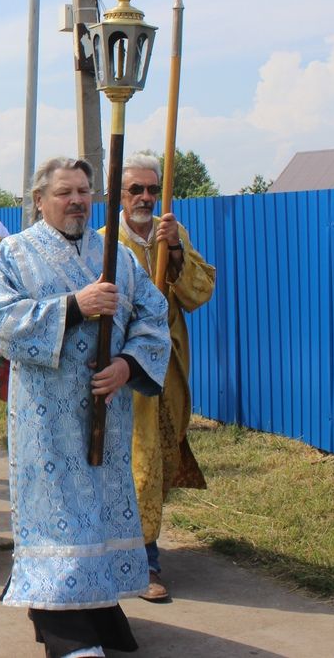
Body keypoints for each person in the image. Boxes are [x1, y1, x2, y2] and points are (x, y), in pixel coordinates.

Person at [0, 157, 169, 658]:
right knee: (58, 509)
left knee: (100, 506)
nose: (77, 201)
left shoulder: (119, 257)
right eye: (65, 192)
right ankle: (62, 618)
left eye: (85, 191)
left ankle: (99, 604)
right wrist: (73, 306)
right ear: (40, 200)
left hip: (107, 413)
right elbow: (1, 323)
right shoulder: (15, 253)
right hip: (47, 418)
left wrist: (129, 365)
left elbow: (154, 314)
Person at [111, 153, 215, 601]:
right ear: (120, 194)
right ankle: (144, 564)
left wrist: (174, 250)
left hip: (167, 367)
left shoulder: (173, 233)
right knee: (137, 464)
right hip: (123, 373)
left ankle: (139, 554)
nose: (147, 198)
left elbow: (198, 292)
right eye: (137, 189)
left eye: (153, 190)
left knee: (156, 462)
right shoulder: (103, 244)